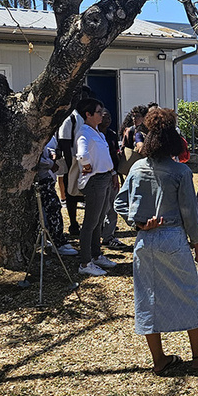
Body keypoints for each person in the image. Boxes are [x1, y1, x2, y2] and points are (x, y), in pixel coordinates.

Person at [114, 107, 198, 374]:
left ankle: (159, 360)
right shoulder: (180, 172)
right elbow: (190, 212)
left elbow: (120, 201)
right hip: (173, 238)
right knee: (189, 293)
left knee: (148, 297)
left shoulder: (138, 167)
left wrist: (138, 222)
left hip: (144, 241)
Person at [75, 98, 119, 276]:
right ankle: (85, 262)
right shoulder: (85, 132)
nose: (103, 115)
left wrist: (113, 173)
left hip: (106, 177)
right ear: (88, 114)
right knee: (90, 223)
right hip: (96, 181)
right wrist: (86, 166)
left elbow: (104, 156)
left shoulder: (97, 132)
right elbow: (81, 153)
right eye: (99, 112)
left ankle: (96, 254)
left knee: (99, 221)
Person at [34, 136, 78, 256]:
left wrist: (53, 154)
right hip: (40, 178)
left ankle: (55, 240)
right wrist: (50, 163)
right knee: (52, 209)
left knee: (53, 209)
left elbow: (47, 149)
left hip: (48, 178)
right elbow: (33, 157)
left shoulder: (48, 134)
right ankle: (56, 242)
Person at [56, 97, 86, 236]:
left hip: (83, 162)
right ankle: (73, 223)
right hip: (73, 162)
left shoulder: (84, 117)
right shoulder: (70, 118)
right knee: (71, 194)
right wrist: (70, 166)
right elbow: (65, 143)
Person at [98, 108, 127, 249]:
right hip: (99, 175)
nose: (107, 119)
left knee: (112, 206)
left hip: (113, 174)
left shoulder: (112, 134)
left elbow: (115, 153)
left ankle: (108, 236)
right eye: (104, 116)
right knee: (99, 208)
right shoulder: (94, 134)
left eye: (109, 116)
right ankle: (96, 235)